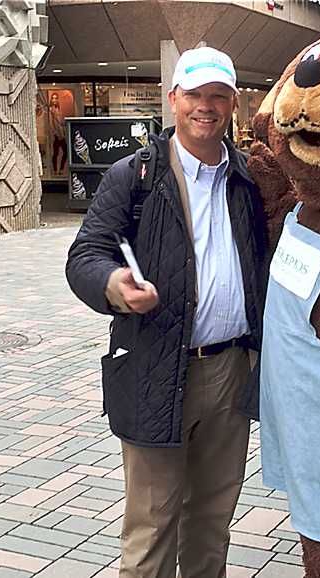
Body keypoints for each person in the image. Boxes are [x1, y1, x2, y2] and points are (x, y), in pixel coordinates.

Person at [65, 47, 268, 577]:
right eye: (195, 94)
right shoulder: (135, 176)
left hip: (231, 371)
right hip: (157, 367)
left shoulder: (250, 179)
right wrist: (113, 284)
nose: (206, 107)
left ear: (233, 105)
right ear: (173, 99)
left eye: (218, 96)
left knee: (212, 522)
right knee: (152, 527)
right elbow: (86, 255)